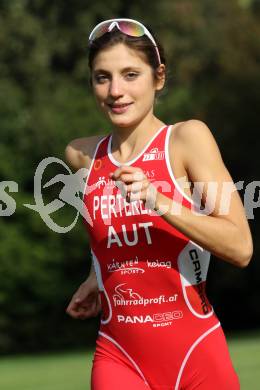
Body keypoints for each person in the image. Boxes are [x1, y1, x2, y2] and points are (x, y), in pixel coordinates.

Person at [65, 18, 253, 390]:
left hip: (195, 352)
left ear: (159, 77)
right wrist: (95, 275)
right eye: (102, 77)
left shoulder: (187, 140)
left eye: (130, 74)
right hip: (118, 354)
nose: (115, 90)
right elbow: (110, 230)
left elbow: (241, 247)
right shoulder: (81, 155)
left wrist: (159, 200)